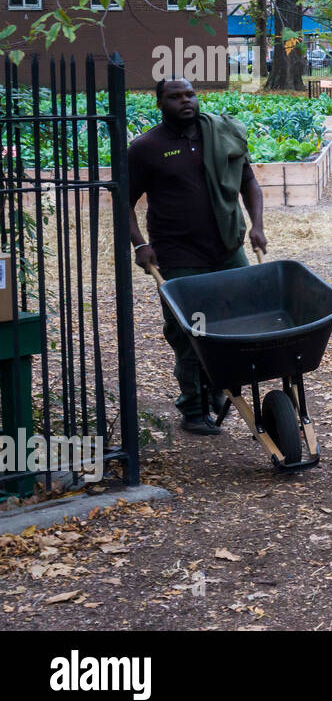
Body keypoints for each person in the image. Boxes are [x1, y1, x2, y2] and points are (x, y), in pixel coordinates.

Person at [128, 78, 268, 435]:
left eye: (189, 94)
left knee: (236, 321)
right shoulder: (146, 147)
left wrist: (257, 225)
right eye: (174, 97)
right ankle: (192, 407)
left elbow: (248, 182)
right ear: (159, 103)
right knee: (189, 330)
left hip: (228, 247)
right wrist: (140, 245)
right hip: (177, 254)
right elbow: (123, 202)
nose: (185, 101)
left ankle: (216, 386)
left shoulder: (220, 134)